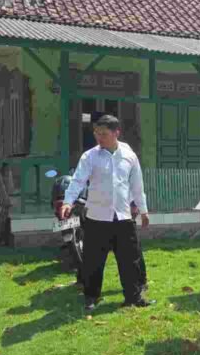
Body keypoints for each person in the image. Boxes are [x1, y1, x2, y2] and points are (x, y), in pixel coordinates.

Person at [60, 115, 154, 311]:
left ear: (116, 133)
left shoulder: (129, 155)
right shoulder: (90, 157)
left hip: (123, 217)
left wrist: (143, 211)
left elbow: (137, 186)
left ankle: (133, 297)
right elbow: (78, 180)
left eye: (104, 134)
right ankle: (91, 297)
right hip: (97, 217)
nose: (99, 137)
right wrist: (68, 202)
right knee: (93, 260)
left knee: (130, 259)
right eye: (96, 133)